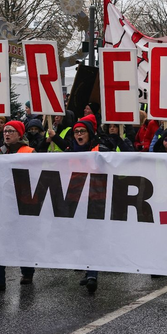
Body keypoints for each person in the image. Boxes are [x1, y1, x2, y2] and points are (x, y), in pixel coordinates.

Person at [0, 120, 36, 293]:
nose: (7, 134)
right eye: (5, 131)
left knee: (22, 240)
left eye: (11, 131)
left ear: (20, 134)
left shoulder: (30, 152)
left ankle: (27, 272)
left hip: (22, 205)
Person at [70, 115, 101, 293]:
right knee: (82, 236)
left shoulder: (99, 149)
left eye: (82, 131)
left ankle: (92, 275)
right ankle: (88, 270)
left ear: (89, 133)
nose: (79, 134)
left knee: (92, 237)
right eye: (76, 132)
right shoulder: (70, 150)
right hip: (76, 198)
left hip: (95, 199)